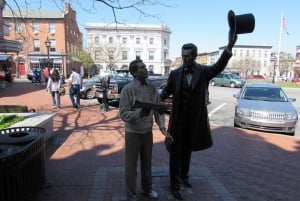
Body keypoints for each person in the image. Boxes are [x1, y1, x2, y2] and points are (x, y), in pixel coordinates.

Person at [160, 30, 237, 200]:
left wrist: (229, 46)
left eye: (188, 56)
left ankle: (184, 176)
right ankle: (174, 184)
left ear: (194, 56)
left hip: (194, 120)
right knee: (175, 152)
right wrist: (156, 98)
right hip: (177, 121)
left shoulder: (202, 71)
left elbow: (218, 66)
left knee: (188, 150)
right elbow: (167, 90)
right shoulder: (175, 73)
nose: (185, 59)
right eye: (183, 56)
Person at [119, 58, 171, 201]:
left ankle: (147, 189)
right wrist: (138, 114)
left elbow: (158, 109)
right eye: (142, 67)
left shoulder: (151, 88)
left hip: (147, 132)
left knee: (147, 163)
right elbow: (123, 114)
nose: (145, 69)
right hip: (132, 133)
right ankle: (131, 195)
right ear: (135, 72)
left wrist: (162, 127)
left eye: (145, 66)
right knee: (131, 166)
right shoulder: (127, 90)